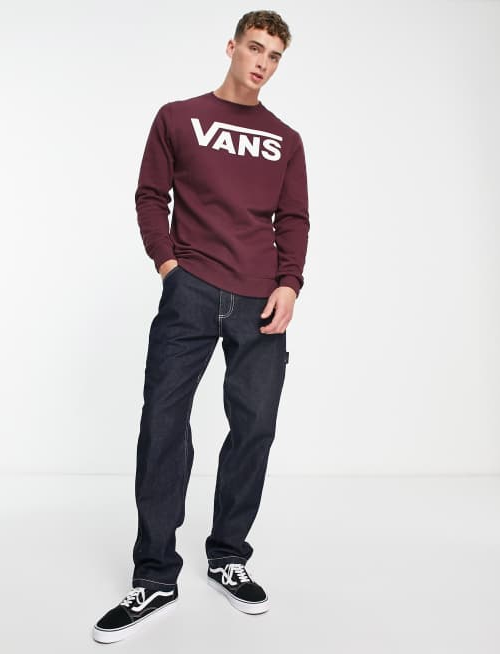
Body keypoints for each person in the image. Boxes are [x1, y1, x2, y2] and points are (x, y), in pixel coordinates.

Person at [92, 9, 309, 643]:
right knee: (163, 424)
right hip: (190, 293)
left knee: (255, 427)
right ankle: (155, 574)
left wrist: (290, 283)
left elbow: (293, 218)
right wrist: (169, 266)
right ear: (232, 46)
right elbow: (149, 195)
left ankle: (228, 556)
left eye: (274, 55)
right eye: (255, 48)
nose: (263, 63)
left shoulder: (285, 139)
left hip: (260, 299)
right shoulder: (179, 118)